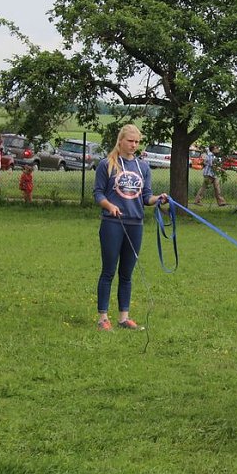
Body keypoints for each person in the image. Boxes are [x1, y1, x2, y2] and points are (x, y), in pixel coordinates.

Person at [93, 124, 168, 331]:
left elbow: (146, 197)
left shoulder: (143, 167)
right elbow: (98, 193)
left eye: (137, 142)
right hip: (112, 224)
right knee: (109, 271)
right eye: (130, 141)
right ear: (121, 141)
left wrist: (159, 199)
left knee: (126, 273)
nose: (134, 145)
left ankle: (123, 318)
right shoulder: (107, 164)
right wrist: (109, 206)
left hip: (135, 225)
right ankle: (103, 318)